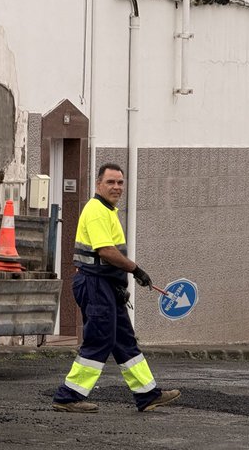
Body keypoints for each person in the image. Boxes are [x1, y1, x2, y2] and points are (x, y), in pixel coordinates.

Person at [52, 163, 181, 413]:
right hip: (94, 285)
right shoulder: (98, 210)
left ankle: (147, 394)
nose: (117, 187)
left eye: (120, 182)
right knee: (100, 339)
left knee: (124, 340)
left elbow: (105, 256)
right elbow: (106, 252)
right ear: (98, 184)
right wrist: (135, 270)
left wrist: (119, 282)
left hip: (104, 285)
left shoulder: (108, 211)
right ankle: (68, 396)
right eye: (111, 182)